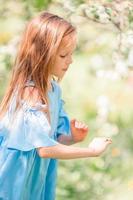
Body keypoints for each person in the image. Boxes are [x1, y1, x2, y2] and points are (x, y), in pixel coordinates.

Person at [0, 11, 112, 200]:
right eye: (63, 55)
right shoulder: (30, 94)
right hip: (12, 185)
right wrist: (91, 151)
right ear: (41, 55)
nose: (70, 60)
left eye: (71, 53)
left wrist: (72, 137)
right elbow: (44, 149)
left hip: (35, 183)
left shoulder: (53, 90)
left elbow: (52, 139)